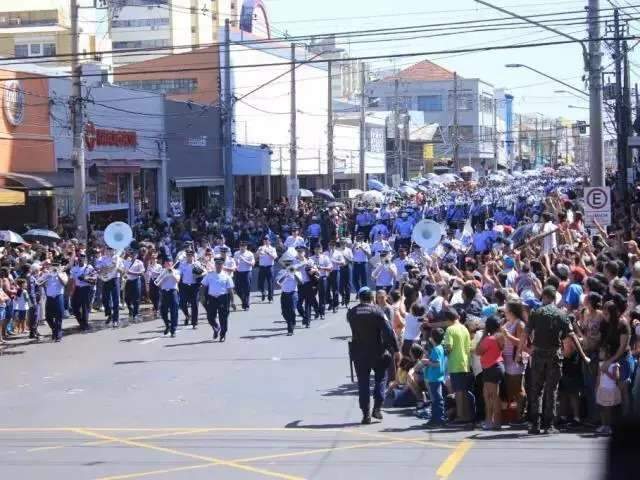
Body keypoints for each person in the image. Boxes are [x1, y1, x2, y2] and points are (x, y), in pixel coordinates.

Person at [527, 286, 591, 435]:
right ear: (554, 298)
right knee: (552, 390)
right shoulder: (561, 314)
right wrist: (583, 355)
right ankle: (549, 425)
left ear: (544, 297)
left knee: (536, 390)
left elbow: (526, 334)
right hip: (554, 355)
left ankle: (535, 424)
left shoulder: (536, 313)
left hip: (538, 355)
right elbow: (572, 335)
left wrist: (526, 350)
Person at [347, 287, 399, 424]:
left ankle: (365, 414)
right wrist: (395, 348)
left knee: (363, 383)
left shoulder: (352, 313)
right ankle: (377, 408)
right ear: (372, 298)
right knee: (381, 380)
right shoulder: (378, 311)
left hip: (359, 352)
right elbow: (389, 331)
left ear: (359, 298)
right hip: (378, 351)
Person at [442, 306, 475, 424]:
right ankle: (466, 415)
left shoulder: (450, 330)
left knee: (459, 392)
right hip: (465, 363)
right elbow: (468, 347)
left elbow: (448, 347)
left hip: (455, 364)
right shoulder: (464, 329)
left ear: (447, 320)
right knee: (464, 391)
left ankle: (461, 416)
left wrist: (443, 349)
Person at [476, 315, 505, 430]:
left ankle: (492, 421)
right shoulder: (500, 337)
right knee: (492, 395)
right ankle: (493, 421)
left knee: (491, 396)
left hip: (491, 368)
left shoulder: (489, 339)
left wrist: (484, 334)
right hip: (496, 367)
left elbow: (478, 351)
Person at [200, 256, 234, 342]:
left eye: (220, 264)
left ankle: (223, 334)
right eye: (217, 264)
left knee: (223, 317)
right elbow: (203, 286)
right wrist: (202, 296)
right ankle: (216, 327)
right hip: (212, 298)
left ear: (223, 265)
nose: (218, 266)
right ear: (215, 265)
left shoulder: (226, 276)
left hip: (223, 298)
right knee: (210, 317)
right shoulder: (210, 275)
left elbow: (230, 290)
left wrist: (233, 302)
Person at [38, 262, 68, 342]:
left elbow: (65, 283)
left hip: (58, 296)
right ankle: (55, 330)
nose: (54, 268)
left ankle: (58, 335)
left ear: (59, 267)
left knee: (58, 317)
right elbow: (38, 283)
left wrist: (58, 275)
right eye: (53, 266)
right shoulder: (47, 274)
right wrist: (46, 277)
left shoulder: (63, 274)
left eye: (56, 266)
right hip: (50, 297)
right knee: (48, 317)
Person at [596, 344, 621, 435]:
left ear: (608, 354)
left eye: (601, 352)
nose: (600, 353)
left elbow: (616, 377)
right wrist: (597, 387)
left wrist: (606, 372)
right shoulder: (600, 363)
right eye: (600, 351)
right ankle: (603, 425)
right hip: (602, 389)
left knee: (608, 410)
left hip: (610, 390)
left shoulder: (614, 364)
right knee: (602, 408)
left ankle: (609, 426)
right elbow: (598, 376)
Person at [424, 327, 447, 427]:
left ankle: (439, 419)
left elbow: (436, 363)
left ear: (432, 338)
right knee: (434, 399)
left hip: (435, 378)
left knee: (437, 399)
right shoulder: (440, 347)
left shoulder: (436, 349)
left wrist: (427, 362)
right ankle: (434, 419)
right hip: (436, 377)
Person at [96, 246, 123, 327]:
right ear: (106, 250)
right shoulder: (102, 259)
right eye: (108, 249)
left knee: (116, 300)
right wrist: (107, 268)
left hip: (115, 279)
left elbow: (123, 271)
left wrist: (117, 267)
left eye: (111, 249)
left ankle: (116, 319)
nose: (110, 250)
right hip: (105, 280)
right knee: (105, 299)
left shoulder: (118, 259)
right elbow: (98, 269)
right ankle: (109, 314)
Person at [70, 252, 96, 331]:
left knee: (85, 307)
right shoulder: (74, 268)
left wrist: (85, 278)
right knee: (75, 308)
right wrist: (71, 291)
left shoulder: (89, 267)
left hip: (86, 288)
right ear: (78, 258)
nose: (82, 258)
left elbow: (94, 278)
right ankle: (81, 322)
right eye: (80, 256)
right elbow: (72, 281)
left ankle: (85, 324)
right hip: (77, 289)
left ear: (85, 258)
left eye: (83, 256)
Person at [178, 249, 203, 327]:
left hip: (194, 286)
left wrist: (198, 271)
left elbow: (203, 273)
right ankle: (187, 315)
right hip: (184, 286)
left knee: (194, 304)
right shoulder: (182, 264)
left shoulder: (197, 263)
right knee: (182, 304)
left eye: (191, 255)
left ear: (193, 256)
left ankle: (194, 323)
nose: (189, 257)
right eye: (188, 255)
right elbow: (179, 275)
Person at [276, 260, 302, 335]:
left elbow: (300, 282)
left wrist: (294, 274)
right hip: (284, 294)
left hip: (293, 294)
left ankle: (290, 329)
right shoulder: (281, 272)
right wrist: (286, 275)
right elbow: (278, 283)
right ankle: (291, 322)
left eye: (290, 264)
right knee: (284, 312)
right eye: (287, 264)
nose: (288, 266)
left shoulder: (297, 272)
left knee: (292, 311)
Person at [157, 258, 180, 337]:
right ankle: (168, 325)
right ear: (164, 264)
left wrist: (172, 273)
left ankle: (173, 330)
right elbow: (158, 283)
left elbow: (177, 280)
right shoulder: (162, 272)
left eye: (170, 262)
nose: (168, 264)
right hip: (164, 292)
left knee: (174, 312)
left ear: (172, 263)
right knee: (163, 312)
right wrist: (164, 277)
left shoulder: (176, 271)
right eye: (167, 262)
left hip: (173, 292)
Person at [123, 250, 145, 323]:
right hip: (128, 281)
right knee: (126, 298)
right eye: (132, 254)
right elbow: (123, 270)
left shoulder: (139, 262)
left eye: (134, 254)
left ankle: (135, 314)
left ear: (137, 255)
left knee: (136, 298)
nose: (133, 255)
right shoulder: (126, 261)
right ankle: (130, 309)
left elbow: (141, 273)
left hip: (136, 281)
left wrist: (131, 273)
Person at [234, 241, 255, 311]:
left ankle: (246, 305)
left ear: (246, 247)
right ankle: (244, 301)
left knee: (246, 289)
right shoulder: (236, 253)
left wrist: (244, 260)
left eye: (243, 246)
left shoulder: (249, 254)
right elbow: (234, 263)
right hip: (238, 272)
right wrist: (236, 263)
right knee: (237, 289)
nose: (242, 248)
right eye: (240, 246)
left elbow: (252, 264)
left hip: (247, 272)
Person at [256, 236, 277, 302]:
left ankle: (270, 298)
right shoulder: (260, 248)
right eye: (264, 240)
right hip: (262, 267)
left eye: (267, 240)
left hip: (269, 267)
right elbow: (256, 257)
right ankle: (263, 292)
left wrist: (268, 252)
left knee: (270, 283)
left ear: (269, 241)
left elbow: (274, 257)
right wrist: (259, 252)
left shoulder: (272, 248)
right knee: (260, 283)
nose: (265, 241)